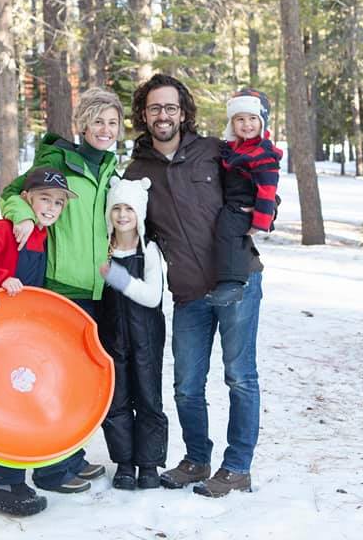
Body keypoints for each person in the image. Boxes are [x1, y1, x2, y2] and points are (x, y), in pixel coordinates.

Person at [124, 74, 264, 498]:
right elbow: (131, 230)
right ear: (144, 115)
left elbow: (256, 185)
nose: (162, 115)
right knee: (187, 384)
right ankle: (196, 458)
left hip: (238, 282)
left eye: (170, 107)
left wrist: (261, 215)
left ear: (183, 112)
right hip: (187, 293)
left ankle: (237, 466)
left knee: (240, 377)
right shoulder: (137, 170)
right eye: (154, 108)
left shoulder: (214, 152)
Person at [0, 87, 124, 493]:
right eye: (97, 121)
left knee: (80, 381)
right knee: (54, 379)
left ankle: (68, 456)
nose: (105, 129)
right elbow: (13, 194)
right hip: (60, 287)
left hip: (98, 289)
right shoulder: (58, 160)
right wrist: (22, 219)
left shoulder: (111, 168)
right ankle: (50, 469)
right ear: (82, 123)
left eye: (112, 122)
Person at [0, 166, 77, 517]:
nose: (51, 207)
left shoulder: (42, 235)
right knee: (4, 405)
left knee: (21, 404)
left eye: (58, 202)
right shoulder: (4, 231)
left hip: (24, 336)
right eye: (44, 199)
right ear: (27, 199)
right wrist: (0, 278)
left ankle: (14, 480)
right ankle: (0, 487)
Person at [97, 176, 168, 491]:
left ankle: (149, 463)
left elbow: (153, 297)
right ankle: (125, 463)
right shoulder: (104, 249)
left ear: (139, 213)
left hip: (146, 338)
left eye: (129, 209)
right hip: (112, 338)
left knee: (149, 398)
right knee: (117, 400)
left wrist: (118, 278)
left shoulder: (149, 251)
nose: (122, 215)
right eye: (117, 208)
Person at [205, 88, 282, 306]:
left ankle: (232, 283)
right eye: (240, 119)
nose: (246, 124)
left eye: (252, 119)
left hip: (246, 206)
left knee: (228, 231)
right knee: (225, 232)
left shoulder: (263, 153)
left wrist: (261, 220)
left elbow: (268, 190)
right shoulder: (238, 147)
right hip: (234, 202)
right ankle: (229, 280)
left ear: (262, 121)